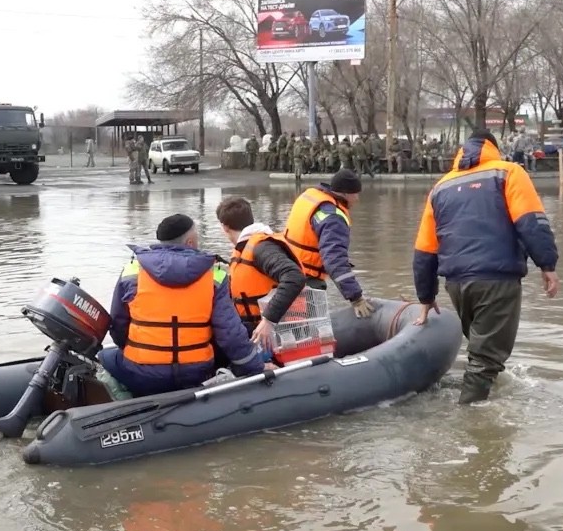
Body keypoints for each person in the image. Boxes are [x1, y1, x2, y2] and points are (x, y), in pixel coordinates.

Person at [412, 129, 560, 405]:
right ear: (493, 147)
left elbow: (424, 249)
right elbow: (531, 222)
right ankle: (472, 420)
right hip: (496, 279)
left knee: (481, 349)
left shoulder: (441, 187)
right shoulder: (508, 173)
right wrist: (547, 264)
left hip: (457, 285)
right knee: (485, 358)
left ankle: (477, 396)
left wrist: (426, 296)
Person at [99, 213, 264, 397]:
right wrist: (255, 367)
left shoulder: (132, 271)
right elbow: (230, 334)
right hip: (195, 374)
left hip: (141, 374)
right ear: (190, 243)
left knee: (105, 356)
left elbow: (118, 326)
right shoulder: (215, 276)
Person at [215, 196, 306, 348]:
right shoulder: (245, 248)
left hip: (279, 333)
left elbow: (294, 276)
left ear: (225, 227)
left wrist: (268, 320)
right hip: (257, 330)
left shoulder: (262, 247)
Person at [283, 168, 373, 317]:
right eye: (355, 194)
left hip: (287, 271)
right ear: (343, 193)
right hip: (307, 279)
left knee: (295, 325)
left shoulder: (310, 196)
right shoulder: (333, 218)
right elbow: (334, 259)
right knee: (311, 331)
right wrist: (356, 297)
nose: (357, 198)